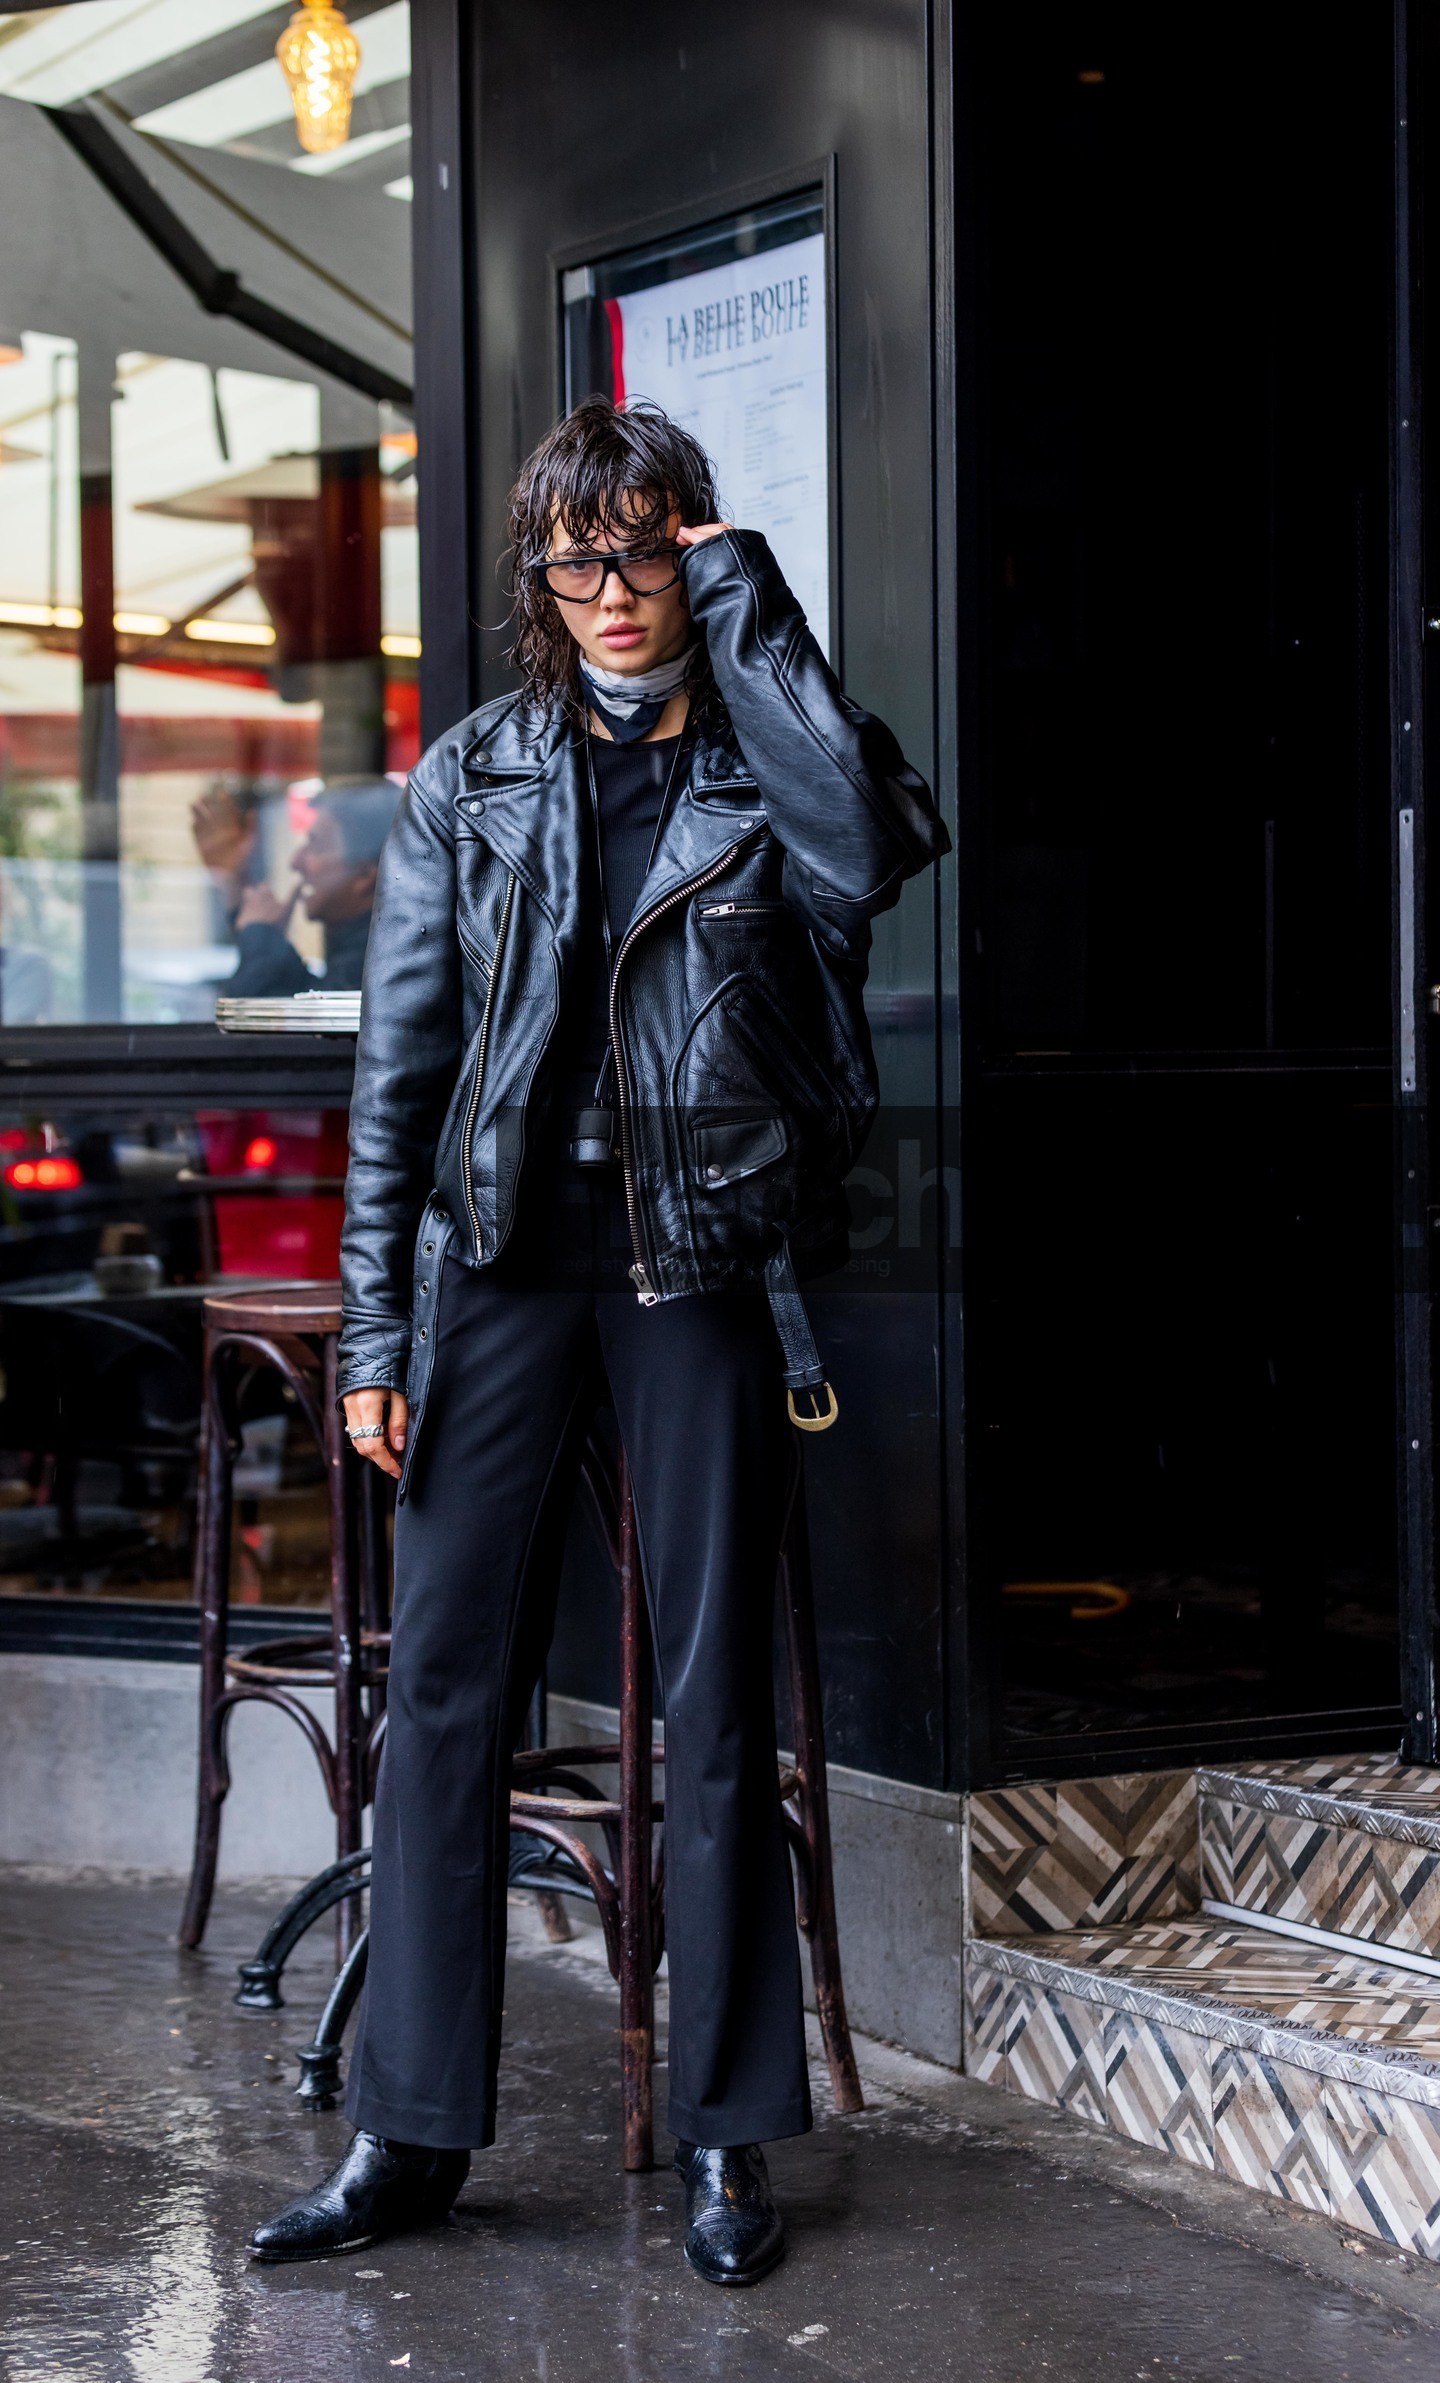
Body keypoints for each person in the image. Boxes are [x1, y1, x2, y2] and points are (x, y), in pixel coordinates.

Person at [249, 398, 948, 2283]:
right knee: (447, 1686)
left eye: (651, 552)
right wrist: (382, 1319)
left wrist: (747, 598)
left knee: (710, 1705)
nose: (617, 591)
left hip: (697, 1265)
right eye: (584, 559)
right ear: (540, 579)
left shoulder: (768, 758)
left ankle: (732, 2133)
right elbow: (403, 1072)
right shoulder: (470, 772)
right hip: (497, 1269)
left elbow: (870, 852)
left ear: (693, 554)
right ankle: (409, 2127)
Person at [192, 778, 399, 999]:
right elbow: (302, 991)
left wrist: (262, 934)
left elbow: (267, 1021)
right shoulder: (373, 948)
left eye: (315, 845)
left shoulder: (378, 961)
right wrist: (236, 883)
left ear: (365, 875)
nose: (296, 861)